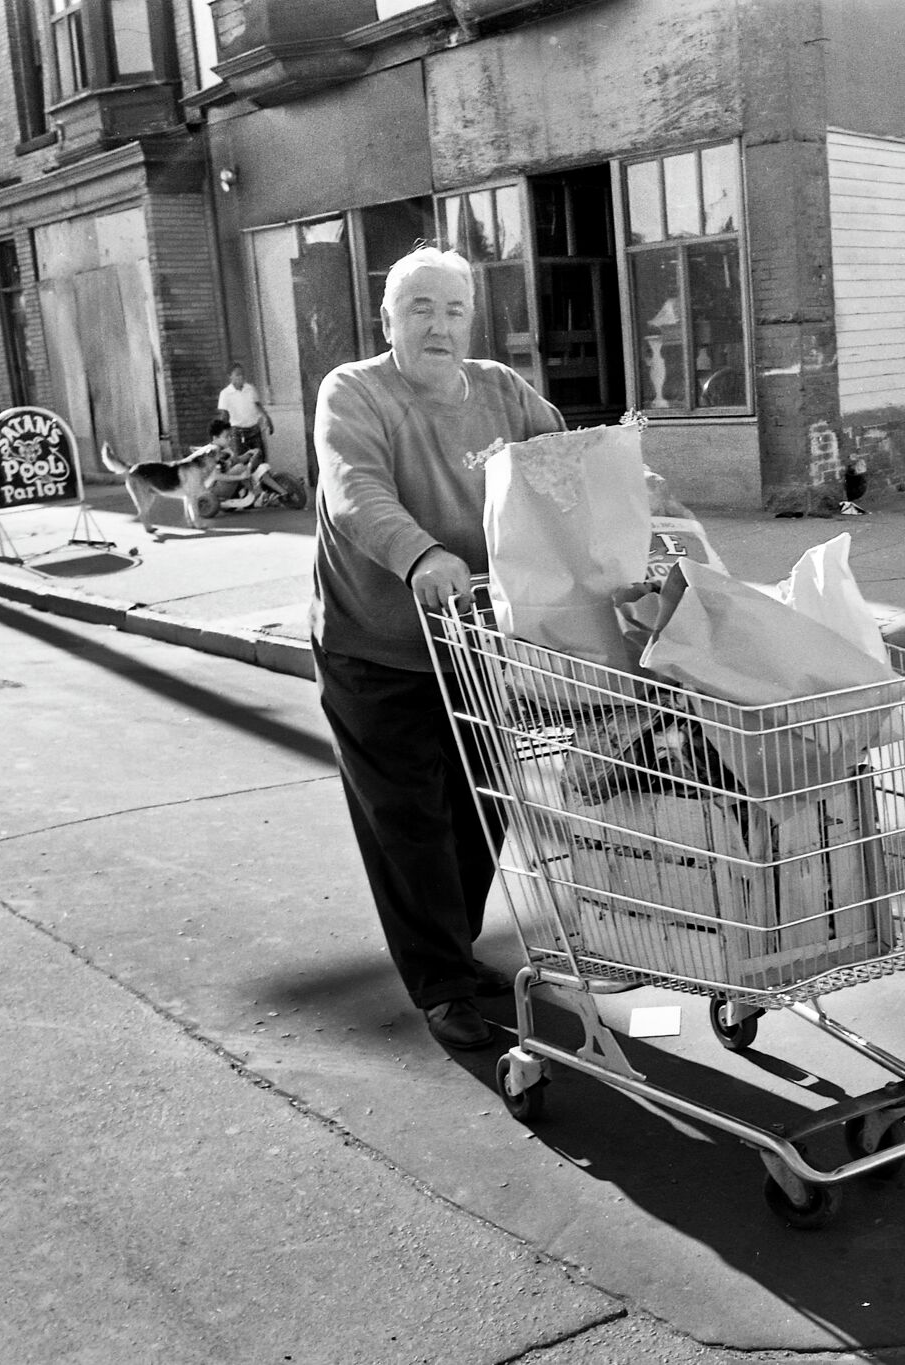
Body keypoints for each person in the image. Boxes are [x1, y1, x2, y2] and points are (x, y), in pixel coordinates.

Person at [312, 246, 564, 1049]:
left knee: (481, 809)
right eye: (419, 307)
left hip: (475, 641)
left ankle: (449, 950)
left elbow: (564, 462)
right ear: (387, 319)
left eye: (454, 309)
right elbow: (354, 489)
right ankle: (442, 983)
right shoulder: (354, 391)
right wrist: (421, 554)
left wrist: (627, 513)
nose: (439, 324)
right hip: (375, 646)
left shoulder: (499, 389)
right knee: (408, 821)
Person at [216, 363, 273, 457]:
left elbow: (258, 405)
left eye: (242, 374)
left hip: (254, 430)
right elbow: (224, 415)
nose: (241, 377)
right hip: (238, 433)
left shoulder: (250, 389)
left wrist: (267, 418)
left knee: (260, 458)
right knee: (241, 461)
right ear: (230, 377)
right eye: (238, 375)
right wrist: (221, 433)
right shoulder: (225, 394)